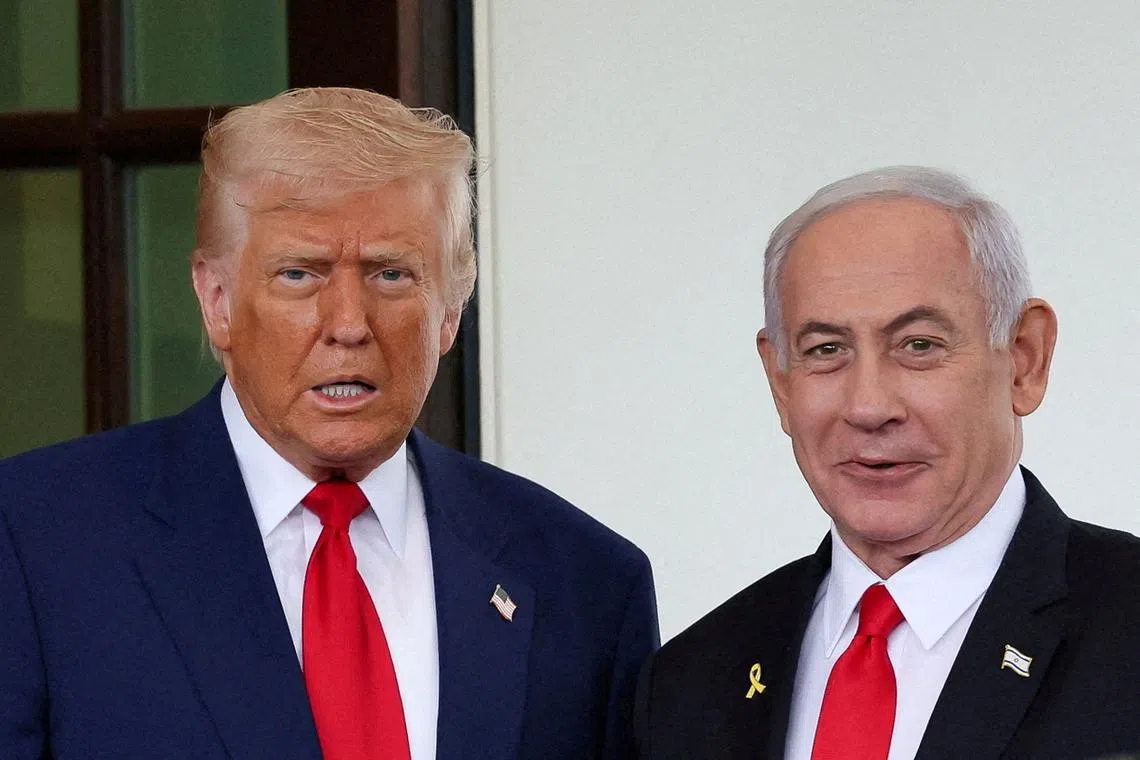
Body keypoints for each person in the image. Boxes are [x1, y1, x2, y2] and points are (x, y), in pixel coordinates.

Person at [0, 87, 658, 760]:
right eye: (299, 274)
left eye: (391, 275)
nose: (348, 325)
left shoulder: (585, 583)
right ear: (217, 301)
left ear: (450, 312)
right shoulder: (35, 542)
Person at [634, 166, 1140, 759]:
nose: (869, 407)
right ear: (780, 383)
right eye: (826, 350)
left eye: (918, 345)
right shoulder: (688, 684)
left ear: (1025, 359)